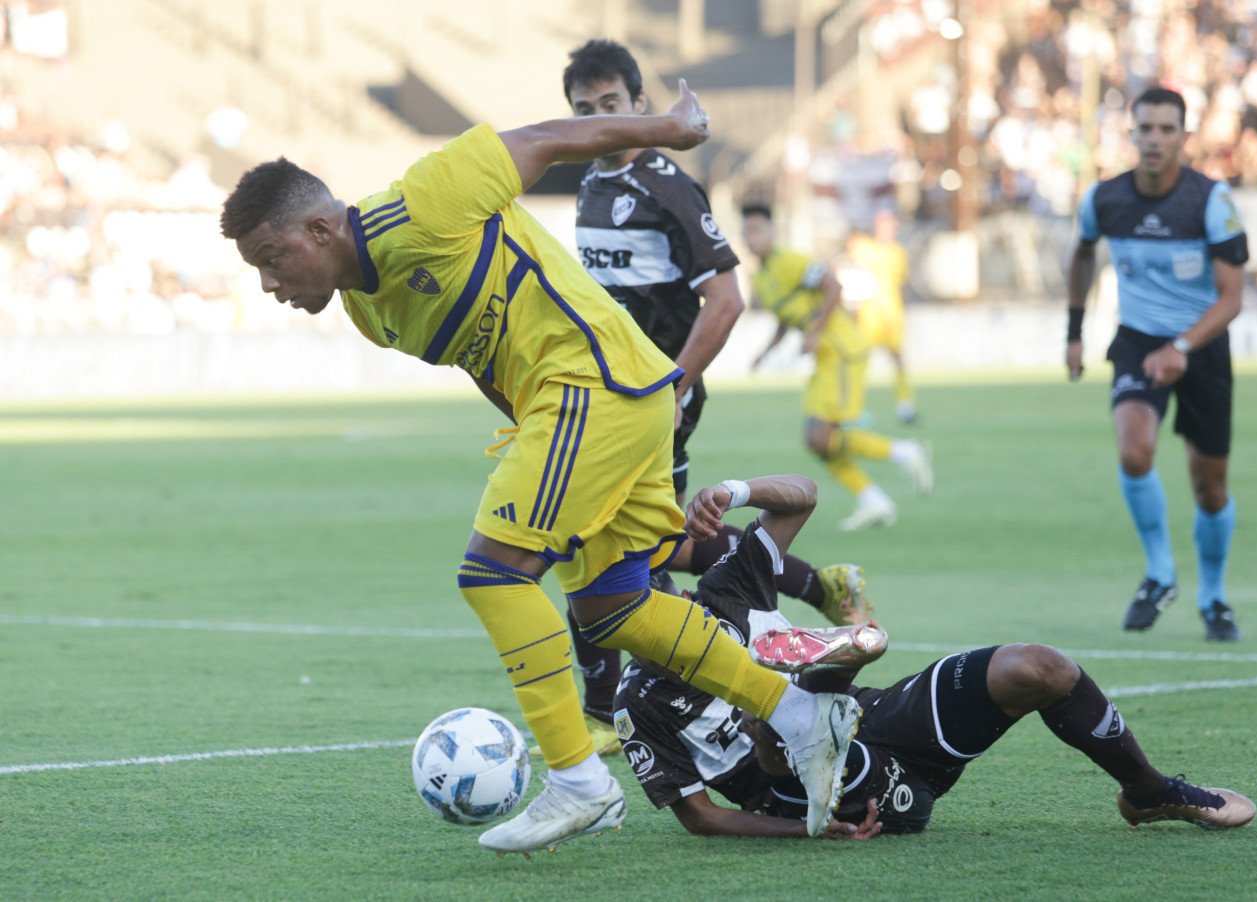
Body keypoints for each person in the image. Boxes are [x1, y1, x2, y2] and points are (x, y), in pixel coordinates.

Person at [218, 81, 858, 854]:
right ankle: (797, 714)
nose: (269, 284)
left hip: (596, 389)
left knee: (494, 574)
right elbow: (484, 362)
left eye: (271, 259)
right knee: (613, 608)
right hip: (601, 404)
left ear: (320, 229)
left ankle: (579, 780)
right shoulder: (370, 310)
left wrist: (671, 126)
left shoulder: (421, 202)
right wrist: (531, 437)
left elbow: (545, 138)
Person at [612, 474, 1257, 837]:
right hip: (820, 790)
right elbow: (698, 815)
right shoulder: (639, 702)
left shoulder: (726, 588)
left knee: (1039, 667)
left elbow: (802, 495)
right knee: (778, 742)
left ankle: (1149, 791)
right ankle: (820, 680)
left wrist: (735, 489)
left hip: (882, 718)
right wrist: (808, 832)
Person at [554, 39, 866, 754]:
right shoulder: (591, 184)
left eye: (612, 106)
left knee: (596, 544)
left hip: (652, 398)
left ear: (640, 104)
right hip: (611, 397)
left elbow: (725, 299)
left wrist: (672, 387)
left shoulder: (666, 185)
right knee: (655, 545)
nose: (600, 119)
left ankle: (606, 713)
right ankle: (816, 588)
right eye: (584, 110)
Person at [1066, 87, 1249, 641]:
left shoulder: (1211, 202)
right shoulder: (1104, 199)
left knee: (1209, 488)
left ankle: (1214, 599)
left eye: (1167, 129)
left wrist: (1183, 348)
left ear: (1183, 138)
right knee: (1134, 448)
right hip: (1137, 342)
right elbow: (1080, 254)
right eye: (1145, 128)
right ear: (1132, 133)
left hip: (1202, 348)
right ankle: (1160, 574)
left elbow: (1231, 298)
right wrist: (1074, 331)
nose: (1154, 139)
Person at [741, 204, 933, 531]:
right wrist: (765, 352)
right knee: (816, 440)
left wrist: (815, 332)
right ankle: (875, 500)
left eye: (758, 230)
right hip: (825, 358)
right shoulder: (762, 276)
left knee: (823, 437)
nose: (752, 237)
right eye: (747, 232)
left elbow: (833, 286)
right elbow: (787, 318)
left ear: (773, 231)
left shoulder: (790, 260)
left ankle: (904, 452)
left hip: (843, 350)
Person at [841, 207, 917, 423]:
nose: (884, 228)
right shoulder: (864, 247)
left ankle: (905, 405)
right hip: (868, 315)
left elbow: (902, 285)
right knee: (858, 361)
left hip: (892, 315)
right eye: (880, 224)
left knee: (898, 360)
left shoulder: (898, 253)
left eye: (888, 224)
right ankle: (853, 409)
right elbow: (849, 249)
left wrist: (907, 310)